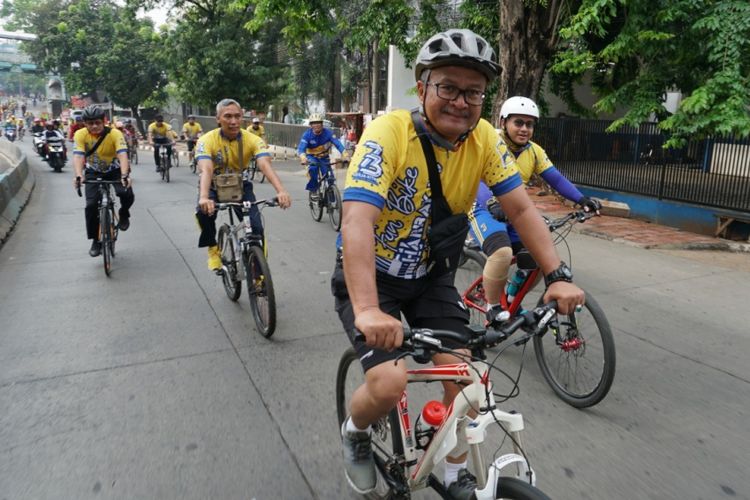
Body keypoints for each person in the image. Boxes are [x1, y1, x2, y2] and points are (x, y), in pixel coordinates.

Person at [333, 29, 585, 498]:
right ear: (423, 84)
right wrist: (368, 309)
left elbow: (522, 209)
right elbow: (357, 222)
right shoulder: (388, 132)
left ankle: (450, 469)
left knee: (471, 383)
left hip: (431, 279)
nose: (460, 101)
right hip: (374, 281)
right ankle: (356, 432)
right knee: (389, 383)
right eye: (447, 86)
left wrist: (557, 277)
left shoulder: (486, 139)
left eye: (473, 92)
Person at [470, 96, 602, 322]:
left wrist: (582, 199)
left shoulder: (534, 152)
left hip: (512, 210)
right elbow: (476, 178)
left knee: (541, 257)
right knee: (502, 253)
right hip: (481, 207)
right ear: (504, 122)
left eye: (529, 124)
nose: (524, 129)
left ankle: (510, 301)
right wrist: (491, 202)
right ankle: (492, 308)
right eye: (518, 122)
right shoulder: (491, 142)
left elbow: (556, 180)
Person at [195, 98, 292, 271]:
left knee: (256, 227)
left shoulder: (252, 139)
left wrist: (281, 191)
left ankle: (259, 271)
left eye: (237, 116)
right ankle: (213, 249)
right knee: (203, 213)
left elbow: (264, 165)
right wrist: (203, 197)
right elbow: (206, 170)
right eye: (228, 116)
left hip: (240, 185)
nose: (233, 121)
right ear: (218, 119)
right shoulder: (206, 140)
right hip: (213, 184)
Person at [72, 105, 134, 257]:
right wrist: (79, 175)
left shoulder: (114, 134)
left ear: (104, 121)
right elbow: (79, 155)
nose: (94, 126)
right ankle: (95, 240)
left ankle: (124, 213)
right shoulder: (80, 134)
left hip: (115, 170)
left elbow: (122, 154)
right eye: (90, 123)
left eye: (98, 123)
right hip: (93, 171)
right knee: (91, 205)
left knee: (125, 192)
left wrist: (125, 175)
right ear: (84, 123)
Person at [297, 113, 347, 200]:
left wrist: (345, 154)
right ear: (311, 125)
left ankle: (332, 201)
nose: (317, 125)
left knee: (330, 177)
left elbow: (338, 144)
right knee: (313, 169)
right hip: (311, 157)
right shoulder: (307, 135)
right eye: (314, 123)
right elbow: (301, 149)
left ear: (322, 124)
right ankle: (314, 190)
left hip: (324, 157)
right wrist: (303, 158)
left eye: (318, 122)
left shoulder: (328, 133)